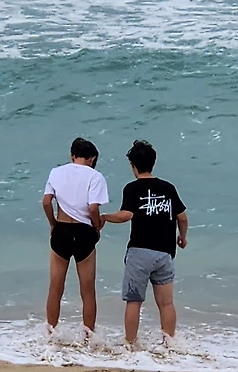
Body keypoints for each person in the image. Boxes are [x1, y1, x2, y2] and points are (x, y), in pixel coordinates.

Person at [101, 140, 188, 349]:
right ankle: (170, 345)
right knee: (166, 303)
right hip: (165, 253)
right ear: (153, 163)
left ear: (133, 166)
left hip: (140, 252)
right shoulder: (168, 188)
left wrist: (104, 217)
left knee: (134, 301)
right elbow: (182, 217)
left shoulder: (132, 188)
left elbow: (126, 215)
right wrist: (182, 237)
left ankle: (130, 344)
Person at [42, 137, 109, 337]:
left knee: (55, 289)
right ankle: (89, 337)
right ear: (92, 158)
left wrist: (53, 223)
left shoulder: (56, 172)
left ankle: (51, 335)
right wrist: (97, 226)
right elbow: (93, 208)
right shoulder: (95, 176)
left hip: (61, 230)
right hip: (84, 233)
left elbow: (46, 202)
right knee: (87, 292)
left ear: (72, 155)